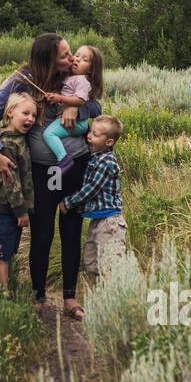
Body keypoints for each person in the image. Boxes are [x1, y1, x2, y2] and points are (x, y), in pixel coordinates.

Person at [0, 33, 101, 318]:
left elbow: (96, 105)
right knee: (42, 232)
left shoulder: (72, 76)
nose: (71, 59)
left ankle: (70, 298)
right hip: (44, 170)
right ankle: (38, 296)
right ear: (47, 60)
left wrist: (76, 106)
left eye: (71, 53)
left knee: (71, 228)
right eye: (64, 55)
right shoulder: (22, 79)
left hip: (76, 164)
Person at [58, 115, 127, 281]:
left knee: (109, 265)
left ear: (109, 142)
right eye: (90, 132)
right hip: (98, 220)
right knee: (92, 262)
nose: (89, 136)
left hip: (110, 222)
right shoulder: (95, 157)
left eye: (95, 135)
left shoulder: (107, 162)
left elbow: (91, 189)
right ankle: (101, 297)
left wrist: (69, 202)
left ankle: (114, 300)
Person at [0, 92, 38, 296]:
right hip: (3, 208)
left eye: (33, 115)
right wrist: (21, 211)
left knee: (7, 248)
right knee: (1, 253)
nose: (30, 119)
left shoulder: (20, 138)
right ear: (9, 113)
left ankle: (0, 287)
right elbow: (10, 182)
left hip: (11, 209)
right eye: (25, 113)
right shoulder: (7, 143)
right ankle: (2, 292)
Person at [42, 45, 104, 175]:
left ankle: (64, 160)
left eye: (84, 59)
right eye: (77, 55)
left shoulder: (82, 80)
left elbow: (81, 100)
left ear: (91, 70)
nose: (77, 59)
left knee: (49, 134)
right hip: (71, 124)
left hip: (77, 122)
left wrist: (61, 99)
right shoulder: (69, 77)